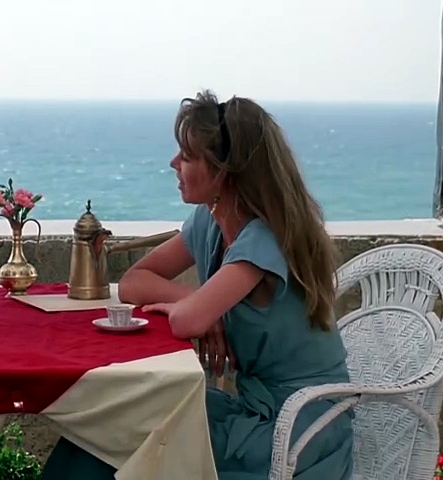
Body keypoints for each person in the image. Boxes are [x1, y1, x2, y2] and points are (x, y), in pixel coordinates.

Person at [41, 90, 354, 479]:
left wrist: (199, 310)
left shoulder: (263, 239)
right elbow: (134, 282)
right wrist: (202, 304)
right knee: (99, 434)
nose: (173, 163)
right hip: (253, 413)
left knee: (123, 446)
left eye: (187, 157)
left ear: (224, 173)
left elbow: (184, 321)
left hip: (299, 432)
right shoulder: (211, 221)